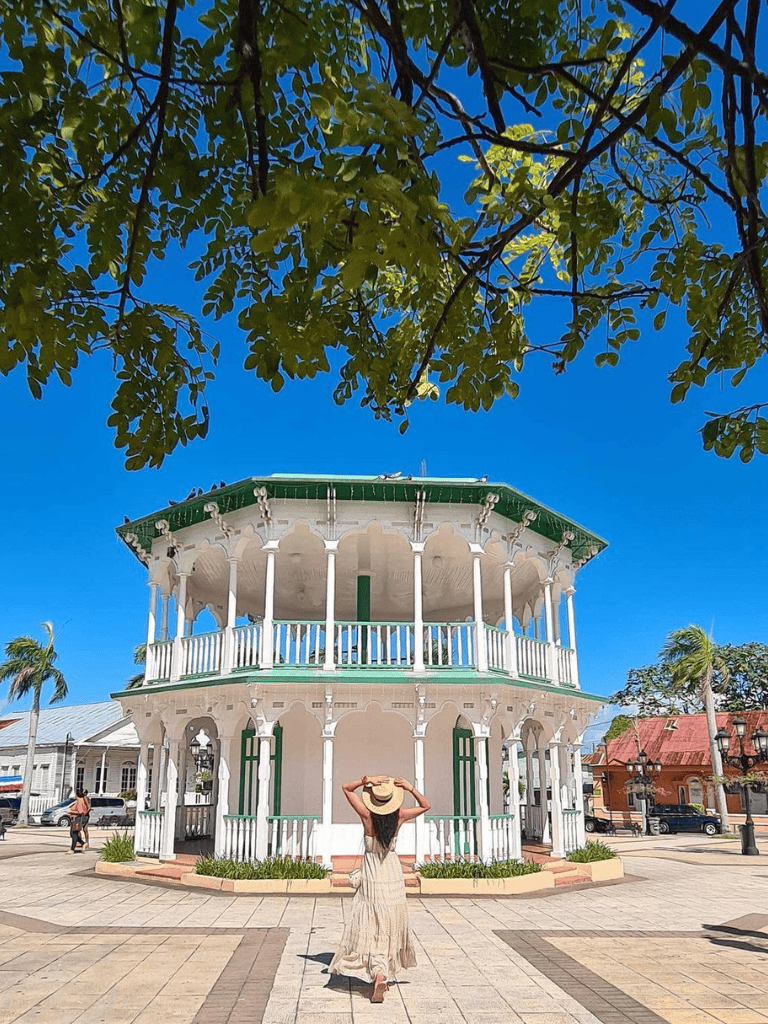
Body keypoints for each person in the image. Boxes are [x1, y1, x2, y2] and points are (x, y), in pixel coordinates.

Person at [329, 774, 430, 1003]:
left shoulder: (366, 816)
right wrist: (410, 788)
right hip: (392, 875)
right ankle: (381, 972)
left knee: (371, 923)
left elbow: (346, 788)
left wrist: (366, 781)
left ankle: (378, 973)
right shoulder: (400, 816)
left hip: (372, 876)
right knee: (387, 925)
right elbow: (426, 806)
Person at [66, 788, 89, 854]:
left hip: (78, 818)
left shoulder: (80, 801)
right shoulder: (82, 800)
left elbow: (81, 811)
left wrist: (71, 811)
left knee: (74, 833)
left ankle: (72, 849)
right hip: (79, 818)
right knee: (72, 834)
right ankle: (83, 843)